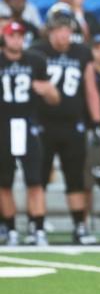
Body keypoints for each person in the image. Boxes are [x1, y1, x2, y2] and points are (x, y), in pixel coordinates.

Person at [35, 10, 100, 245]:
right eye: (59, 29)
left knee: (75, 178)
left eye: (67, 29)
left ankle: (79, 226)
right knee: (39, 177)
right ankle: (38, 226)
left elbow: (90, 88)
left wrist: (97, 121)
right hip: (43, 124)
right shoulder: (38, 51)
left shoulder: (82, 53)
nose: (64, 34)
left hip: (73, 125)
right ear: (50, 31)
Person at [0, 21, 59, 246]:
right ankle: (11, 228)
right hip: (3, 126)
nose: (17, 40)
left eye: (20, 36)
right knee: (4, 182)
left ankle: (38, 227)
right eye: (12, 35)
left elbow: (54, 99)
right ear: (5, 37)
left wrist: (48, 90)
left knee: (35, 181)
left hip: (28, 125)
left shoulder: (35, 60)